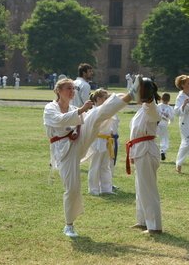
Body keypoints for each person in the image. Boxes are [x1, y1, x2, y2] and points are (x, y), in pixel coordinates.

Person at [43, 77, 144, 238]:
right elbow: (59, 120)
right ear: (58, 91)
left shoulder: (75, 107)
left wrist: (85, 111)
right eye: (68, 88)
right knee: (73, 188)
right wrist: (81, 110)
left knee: (97, 113)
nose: (71, 91)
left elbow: (83, 117)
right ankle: (69, 225)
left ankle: (131, 95)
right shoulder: (50, 108)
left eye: (73, 89)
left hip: (79, 141)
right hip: (63, 151)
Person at [127, 78, 162, 234]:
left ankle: (154, 225)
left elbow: (151, 108)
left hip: (146, 150)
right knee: (140, 187)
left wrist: (147, 96)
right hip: (139, 149)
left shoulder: (151, 108)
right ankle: (143, 220)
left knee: (148, 189)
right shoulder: (142, 109)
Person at [84, 89, 116, 196]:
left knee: (105, 165)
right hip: (97, 140)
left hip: (107, 140)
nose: (107, 100)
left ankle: (106, 188)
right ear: (98, 99)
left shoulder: (106, 110)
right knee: (95, 165)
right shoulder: (93, 111)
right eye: (105, 98)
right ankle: (93, 189)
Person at [156, 92, 174, 161]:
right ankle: (163, 151)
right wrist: (169, 121)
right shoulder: (170, 108)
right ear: (169, 100)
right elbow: (172, 118)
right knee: (164, 139)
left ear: (161, 98)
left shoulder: (158, 106)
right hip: (164, 125)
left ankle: (155, 152)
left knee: (155, 138)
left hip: (157, 124)